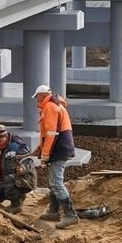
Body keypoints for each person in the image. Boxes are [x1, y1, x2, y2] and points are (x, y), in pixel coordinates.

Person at [31, 84, 79, 229]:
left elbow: (52, 133)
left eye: (37, 97)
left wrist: (45, 154)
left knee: (57, 183)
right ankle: (53, 211)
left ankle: (71, 215)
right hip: (61, 147)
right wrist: (41, 147)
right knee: (53, 182)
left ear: (41, 96)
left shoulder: (50, 107)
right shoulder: (54, 105)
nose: (36, 101)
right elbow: (49, 133)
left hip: (59, 148)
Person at [0, 124, 37, 214]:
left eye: (0, 141)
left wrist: (23, 168)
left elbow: (29, 161)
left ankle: (16, 205)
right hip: (8, 181)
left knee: (9, 179)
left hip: (25, 180)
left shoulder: (17, 145)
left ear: (6, 137)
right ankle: (18, 196)